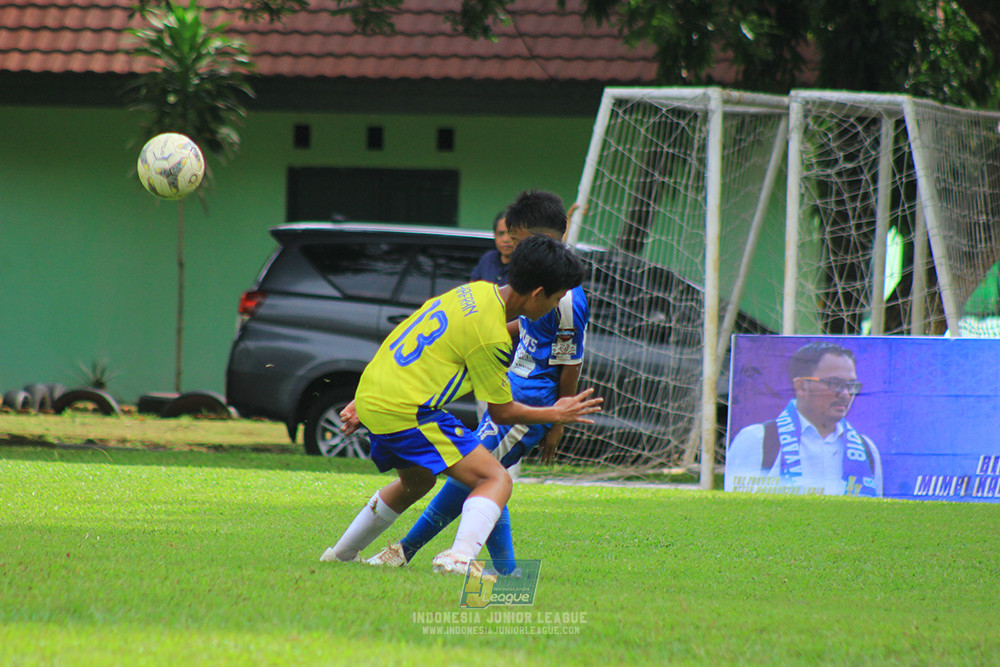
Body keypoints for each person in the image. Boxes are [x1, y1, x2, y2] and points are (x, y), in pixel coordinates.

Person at [319, 232, 603, 576]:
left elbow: (406, 335)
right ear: (538, 293)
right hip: (408, 413)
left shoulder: (473, 292)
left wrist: (362, 400)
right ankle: (458, 557)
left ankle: (341, 555)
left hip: (376, 396)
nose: (554, 307)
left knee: (417, 482)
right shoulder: (492, 339)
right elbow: (502, 412)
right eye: (556, 298)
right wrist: (557, 413)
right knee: (495, 478)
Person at [725, 341, 883, 496]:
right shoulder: (757, 440)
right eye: (835, 383)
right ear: (801, 387)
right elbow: (737, 513)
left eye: (851, 385)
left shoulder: (866, 450)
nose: (845, 394)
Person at [470, 210, 515, 285]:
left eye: (511, 233)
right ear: (494, 235)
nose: (506, 239)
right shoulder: (487, 259)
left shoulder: (526, 266)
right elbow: (472, 290)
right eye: (500, 234)